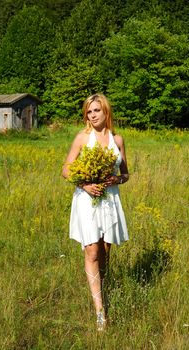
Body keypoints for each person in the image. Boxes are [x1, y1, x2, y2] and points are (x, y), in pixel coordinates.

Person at [62, 93, 129, 331]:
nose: (92, 115)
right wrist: (84, 184)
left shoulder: (117, 139)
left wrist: (115, 179)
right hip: (86, 198)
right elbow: (66, 169)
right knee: (91, 251)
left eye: (96, 110)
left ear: (106, 112)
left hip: (109, 200)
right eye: (89, 112)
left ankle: (104, 288)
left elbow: (126, 175)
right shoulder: (82, 138)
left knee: (105, 252)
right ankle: (100, 312)